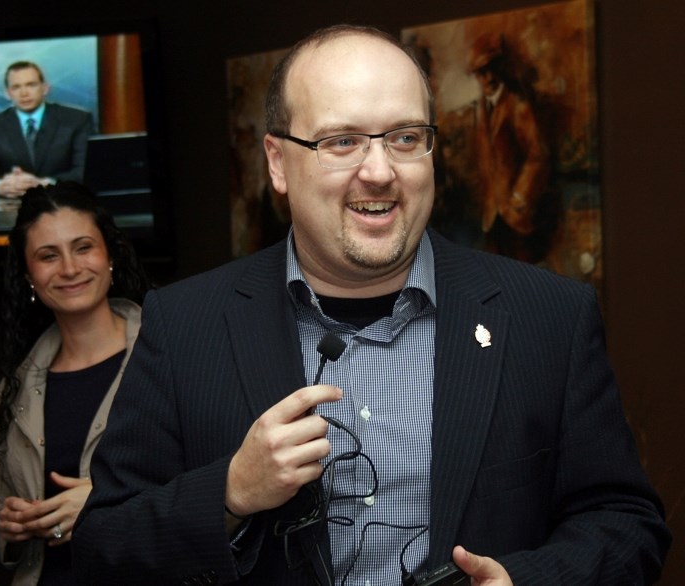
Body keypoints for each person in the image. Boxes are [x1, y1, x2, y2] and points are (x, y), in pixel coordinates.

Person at [72, 24, 670, 585]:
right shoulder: (185, 324)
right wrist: (230, 494)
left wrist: (526, 581)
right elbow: (102, 545)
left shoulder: (548, 318)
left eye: (406, 138)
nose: (380, 171)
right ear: (278, 162)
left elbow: (625, 524)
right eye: (342, 141)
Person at [0, 182, 150, 585]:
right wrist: (10, 528)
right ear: (28, 275)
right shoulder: (14, 390)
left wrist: (102, 504)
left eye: (83, 247)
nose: (70, 269)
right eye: (48, 256)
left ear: (109, 255)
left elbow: (212, 493)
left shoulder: (166, 357)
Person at [468, 33, 555, 263]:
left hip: (516, 217)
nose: (486, 78)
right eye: (480, 73)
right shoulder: (480, 110)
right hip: (492, 216)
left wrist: (520, 196)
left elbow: (537, 156)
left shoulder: (518, 106)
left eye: (490, 69)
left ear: (499, 68)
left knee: (521, 284)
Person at [0, 62, 94, 198]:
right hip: (13, 207)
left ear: (45, 88)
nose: (24, 93)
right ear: (7, 93)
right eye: (16, 87)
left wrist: (46, 183)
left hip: (64, 200)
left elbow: (86, 170)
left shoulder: (76, 120)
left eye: (31, 85)